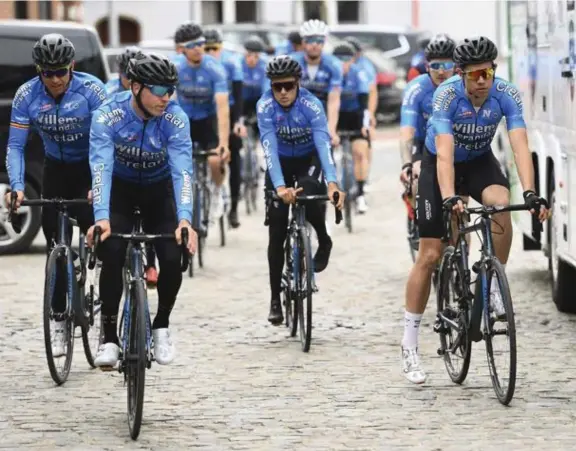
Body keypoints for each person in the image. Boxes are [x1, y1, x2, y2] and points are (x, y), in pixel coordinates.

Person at [400, 36, 550, 384]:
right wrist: (451, 196)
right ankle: (409, 343)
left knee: (500, 203)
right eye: (475, 74)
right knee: (431, 253)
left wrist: (530, 192)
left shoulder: (506, 94)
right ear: (460, 74)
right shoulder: (446, 96)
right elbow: (445, 153)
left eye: (488, 72)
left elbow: (519, 146)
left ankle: (494, 285)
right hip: (440, 163)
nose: (483, 80)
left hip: (481, 161)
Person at [87, 53, 197, 367]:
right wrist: (101, 218)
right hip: (120, 191)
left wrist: (185, 219)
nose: (166, 97)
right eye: (159, 90)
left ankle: (161, 325)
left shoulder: (175, 119)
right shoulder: (109, 115)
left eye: (171, 90)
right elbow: (101, 167)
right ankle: (109, 338)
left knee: (173, 258)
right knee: (111, 251)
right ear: (136, 87)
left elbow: (183, 172)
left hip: (158, 192)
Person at [4, 33, 106, 357]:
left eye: (61, 71)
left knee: (102, 236)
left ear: (72, 66)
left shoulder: (92, 91)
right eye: (48, 73)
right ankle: (60, 317)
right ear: (39, 71)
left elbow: (107, 143)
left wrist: (102, 186)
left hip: (90, 167)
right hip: (55, 169)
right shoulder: (26, 96)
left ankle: (106, 290)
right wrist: (18, 186)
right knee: (55, 247)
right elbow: (16, 147)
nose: (56, 79)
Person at [257, 55, 345, 325]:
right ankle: (275, 298)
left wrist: (332, 182)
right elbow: (269, 149)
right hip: (280, 163)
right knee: (277, 231)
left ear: (297, 84)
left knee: (308, 194)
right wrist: (280, 187)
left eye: (288, 86)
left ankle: (323, 238)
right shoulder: (265, 107)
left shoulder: (311, 105)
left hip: (309, 159)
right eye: (276, 87)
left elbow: (323, 144)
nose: (282, 92)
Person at [172, 22, 230, 228]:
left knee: (215, 160)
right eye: (192, 45)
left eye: (201, 43)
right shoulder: (175, 67)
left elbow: (222, 108)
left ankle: (217, 191)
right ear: (181, 49)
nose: (198, 48)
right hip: (184, 119)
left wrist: (224, 143)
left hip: (208, 120)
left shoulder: (215, 68)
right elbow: (168, 103)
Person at [399, 34, 456, 194]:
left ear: (456, 66)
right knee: (416, 180)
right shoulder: (416, 88)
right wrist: (406, 164)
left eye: (446, 65)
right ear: (427, 66)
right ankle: (414, 209)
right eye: (436, 65)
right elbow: (407, 129)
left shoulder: (464, 86)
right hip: (423, 143)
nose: (441, 71)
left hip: (456, 144)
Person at [203, 28, 246, 228]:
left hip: (228, 111)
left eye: (215, 48)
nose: (211, 52)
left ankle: (234, 207)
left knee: (234, 155)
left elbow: (238, 96)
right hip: (207, 115)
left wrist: (238, 122)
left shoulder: (231, 62)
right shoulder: (199, 65)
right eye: (207, 48)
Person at [291, 19, 343, 147]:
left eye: (319, 41)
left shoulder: (334, 64)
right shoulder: (292, 62)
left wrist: (331, 129)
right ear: (303, 42)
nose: (314, 44)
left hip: (323, 110)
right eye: (310, 40)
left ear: (324, 42)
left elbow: (334, 100)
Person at [332, 43, 371, 214]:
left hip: (355, 115)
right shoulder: (329, 74)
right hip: (336, 116)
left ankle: (361, 194)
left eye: (346, 60)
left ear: (352, 61)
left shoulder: (358, 74)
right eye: (338, 61)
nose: (343, 64)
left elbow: (364, 104)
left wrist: (365, 125)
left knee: (360, 152)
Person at [344, 36, 378, 192]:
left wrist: (370, 114)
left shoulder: (365, 66)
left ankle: (365, 175)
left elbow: (371, 92)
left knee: (365, 140)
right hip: (343, 110)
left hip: (360, 107)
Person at [242, 35, 270, 128]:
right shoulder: (238, 63)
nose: (252, 59)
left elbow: (266, 89)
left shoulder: (265, 64)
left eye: (256, 56)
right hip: (243, 99)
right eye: (249, 55)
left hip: (258, 98)